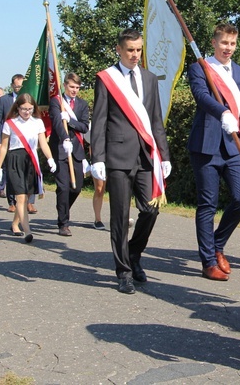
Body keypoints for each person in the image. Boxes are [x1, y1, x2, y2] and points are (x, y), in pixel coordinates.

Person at [91, 29, 172, 294]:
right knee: (120, 216)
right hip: (117, 157)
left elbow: (155, 120)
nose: (135, 55)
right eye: (130, 50)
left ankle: (134, 253)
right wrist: (98, 158)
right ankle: (123, 271)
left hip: (146, 157)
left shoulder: (149, 79)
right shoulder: (107, 79)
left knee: (151, 209)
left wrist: (164, 155)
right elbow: (100, 120)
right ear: (119, 49)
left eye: (138, 49)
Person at [188, 23, 240, 281]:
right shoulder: (200, 68)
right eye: (223, 43)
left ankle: (218, 244)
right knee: (208, 204)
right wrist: (223, 112)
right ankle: (208, 261)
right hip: (205, 145)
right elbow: (200, 96)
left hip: (233, 147)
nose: (228, 48)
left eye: (232, 44)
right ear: (214, 42)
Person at [0, 93, 57, 243]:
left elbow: (43, 143)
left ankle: (16, 223)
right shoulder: (10, 123)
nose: (26, 112)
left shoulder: (38, 123)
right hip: (15, 159)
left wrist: (50, 159)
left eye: (29, 109)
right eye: (23, 109)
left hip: (31, 160)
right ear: (18, 107)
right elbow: (4, 147)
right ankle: (27, 230)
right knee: (20, 196)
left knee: (26, 196)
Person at [49, 72, 90, 237]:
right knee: (63, 187)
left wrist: (71, 122)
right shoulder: (56, 102)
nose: (74, 90)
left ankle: (63, 208)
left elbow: (84, 127)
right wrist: (65, 137)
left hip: (77, 150)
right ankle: (63, 223)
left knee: (76, 188)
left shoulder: (82, 104)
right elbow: (57, 123)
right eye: (72, 87)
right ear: (65, 85)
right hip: (60, 148)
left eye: (77, 87)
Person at [0, 74, 36, 213]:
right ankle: (12, 202)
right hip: (10, 141)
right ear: (12, 85)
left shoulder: (29, 100)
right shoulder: (4, 100)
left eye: (21, 86)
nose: (19, 88)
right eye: (17, 86)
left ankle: (29, 202)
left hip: (28, 145)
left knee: (30, 174)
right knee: (12, 174)